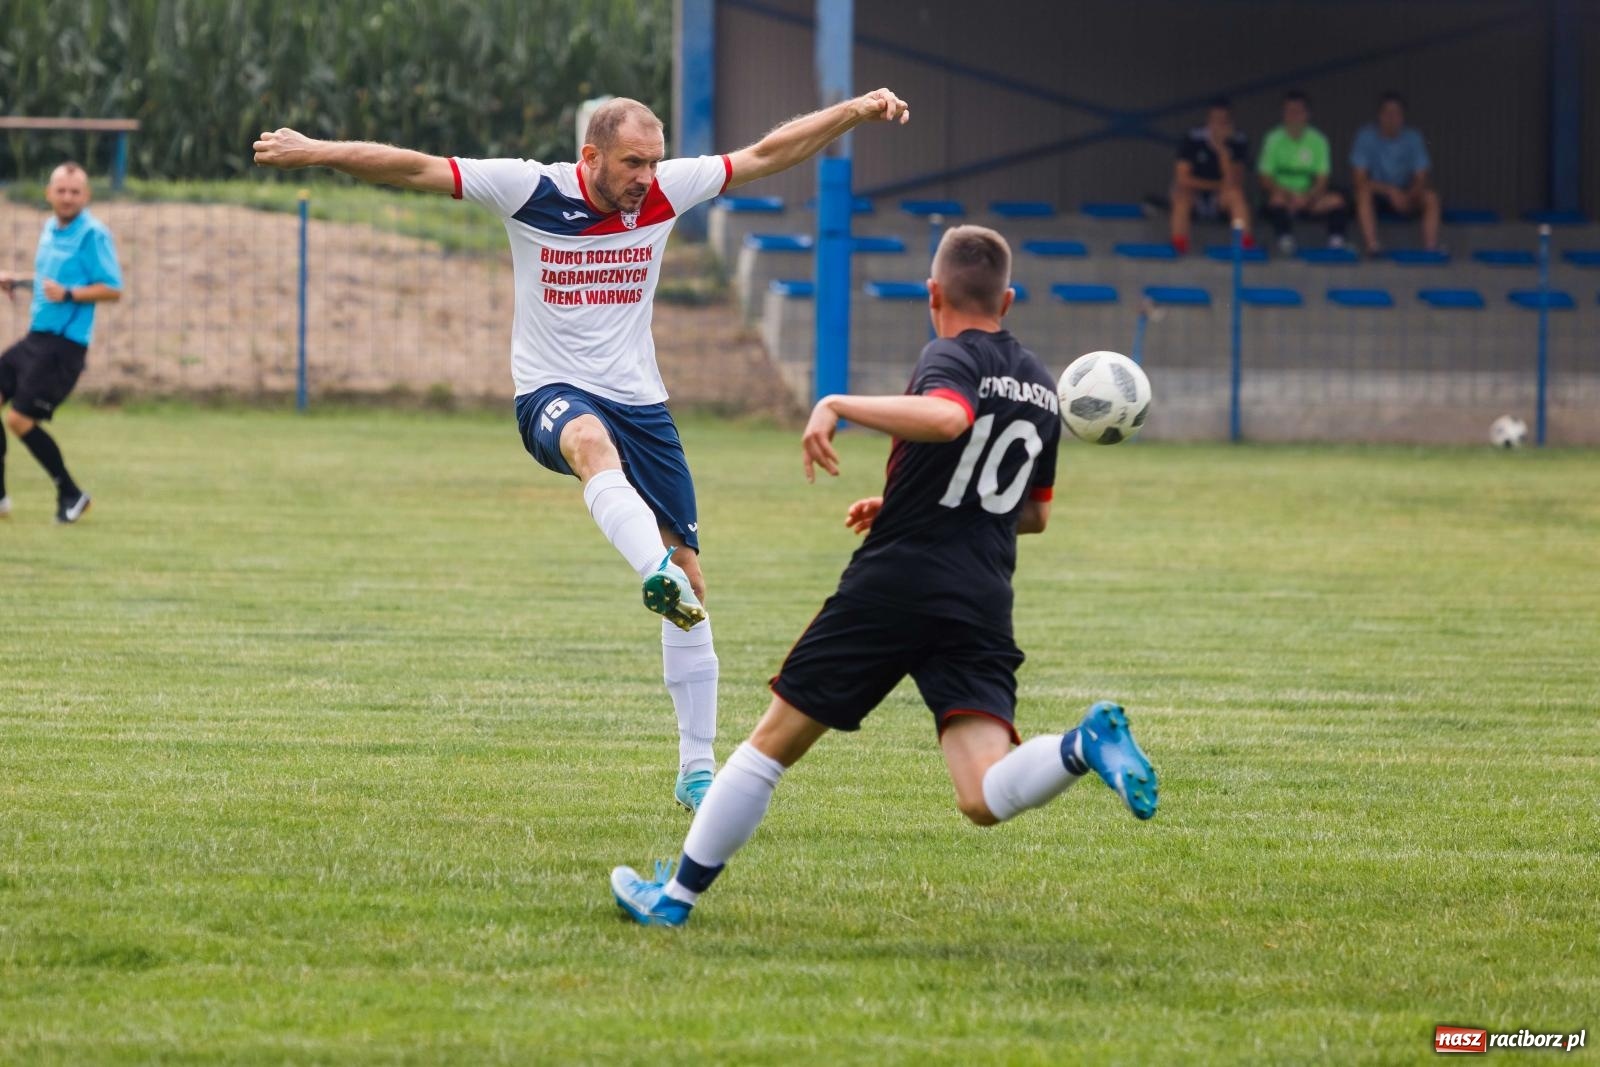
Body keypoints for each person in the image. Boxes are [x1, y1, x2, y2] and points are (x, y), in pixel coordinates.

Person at [253, 90, 911, 812]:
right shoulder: (530, 189)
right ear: (589, 157)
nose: (645, 176)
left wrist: (850, 111)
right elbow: (412, 169)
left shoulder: (663, 193)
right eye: (633, 162)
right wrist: (317, 150)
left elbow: (765, 153)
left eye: (654, 162)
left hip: (643, 404)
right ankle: (651, 567)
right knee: (591, 445)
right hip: (551, 394)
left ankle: (696, 769)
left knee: (693, 583)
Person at [608, 226, 1159, 927]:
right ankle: (1084, 746)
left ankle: (674, 898)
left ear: (933, 294)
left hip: (898, 582)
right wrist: (904, 500)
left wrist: (838, 405)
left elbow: (950, 418)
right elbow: (1032, 515)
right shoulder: (1045, 389)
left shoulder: (949, 354)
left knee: (771, 745)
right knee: (983, 791)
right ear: (1008, 299)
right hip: (982, 593)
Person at [0, 162, 122, 523]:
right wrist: (18, 281)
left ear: (86, 196)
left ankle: (71, 494)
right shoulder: (51, 229)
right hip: (37, 337)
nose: (67, 197)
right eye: (61, 190)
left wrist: (69, 293)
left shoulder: (93, 235)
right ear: (49, 193)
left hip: (64, 345)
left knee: (19, 420)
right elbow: (49, 281)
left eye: (75, 192)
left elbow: (112, 288)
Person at [1257, 90, 1349, 254]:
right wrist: (1290, 195)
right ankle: (1285, 240)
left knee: (1336, 200)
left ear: (1307, 115)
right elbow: (1265, 179)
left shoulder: (1318, 140)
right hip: (1283, 198)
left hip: (1310, 198)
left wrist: (1307, 197)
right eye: (1288, 112)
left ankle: (1336, 241)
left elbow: (1322, 179)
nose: (1293, 116)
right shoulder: (1273, 138)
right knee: (1276, 200)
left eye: (1297, 112)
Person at [1351, 91, 1442, 257]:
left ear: (1403, 117)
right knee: (1362, 193)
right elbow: (1359, 179)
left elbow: (1421, 176)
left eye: (1396, 114)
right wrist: (1390, 191)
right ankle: (1373, 246)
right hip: (1378, 192)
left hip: (1406, 192)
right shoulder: (1365, 136)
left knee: (1431, 197)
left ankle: (1431, 248)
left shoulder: (1413, 137)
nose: (1392, 118)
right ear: (1379, 115)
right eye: (1387, 113)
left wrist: (1409, 194)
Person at [1170, 98, 1253, 256]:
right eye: (1215, 120)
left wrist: (1222, 151)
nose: (1218, 125)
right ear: (1208, 121)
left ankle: (1245, 244)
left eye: (1223, 121)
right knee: (1181, 195)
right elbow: (1183, 178)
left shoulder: (1238, 140)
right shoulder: (1192, 138)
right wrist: (1216, 186)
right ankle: (1179, 245)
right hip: (1196, 195)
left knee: (1236, 196)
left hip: (1220, 199)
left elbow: (1234, 182)